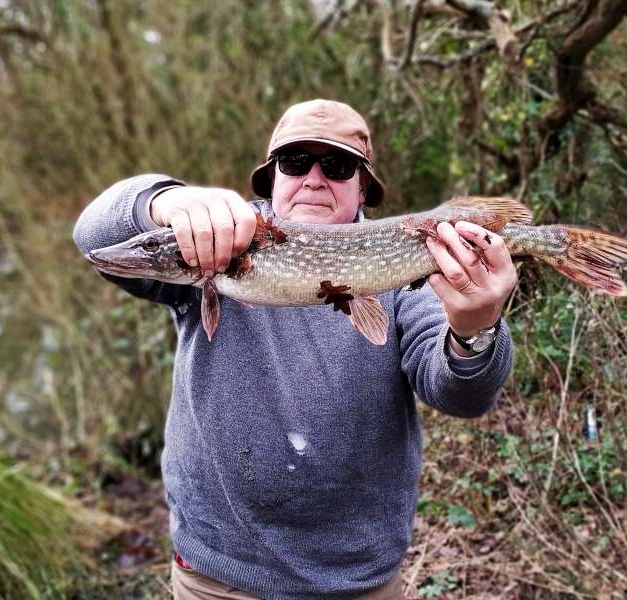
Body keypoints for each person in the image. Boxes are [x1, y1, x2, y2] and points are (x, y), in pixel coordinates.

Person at [73, 99, 516, 600]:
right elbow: (94, 236)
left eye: (336, 165)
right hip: (217, 578)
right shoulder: (217, 244)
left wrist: (476, 327)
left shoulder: (405, 260)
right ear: (272, 177)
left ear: (363, 186)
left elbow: (462, 395)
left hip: (358, 582)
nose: (313, 178)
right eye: (295, 162)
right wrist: (164, 204)